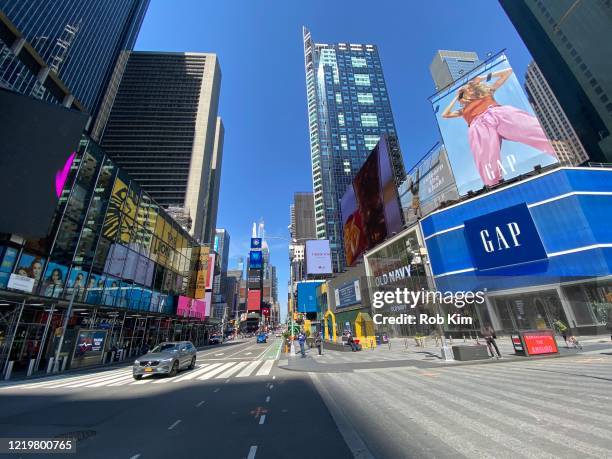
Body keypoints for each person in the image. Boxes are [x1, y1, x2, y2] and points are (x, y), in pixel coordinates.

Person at [442, 68, 556, 187]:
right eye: (465, 92)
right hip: (478, 127)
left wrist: (483, 77)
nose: (468, 91)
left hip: (498, 113)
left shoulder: (487, 92)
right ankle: (495, 188)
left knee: (534, 130)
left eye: (469, 89)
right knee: (487, 164)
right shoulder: (463, 110)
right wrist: (456, 96)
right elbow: (445, 114)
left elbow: (508, 72)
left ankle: (559, 150)